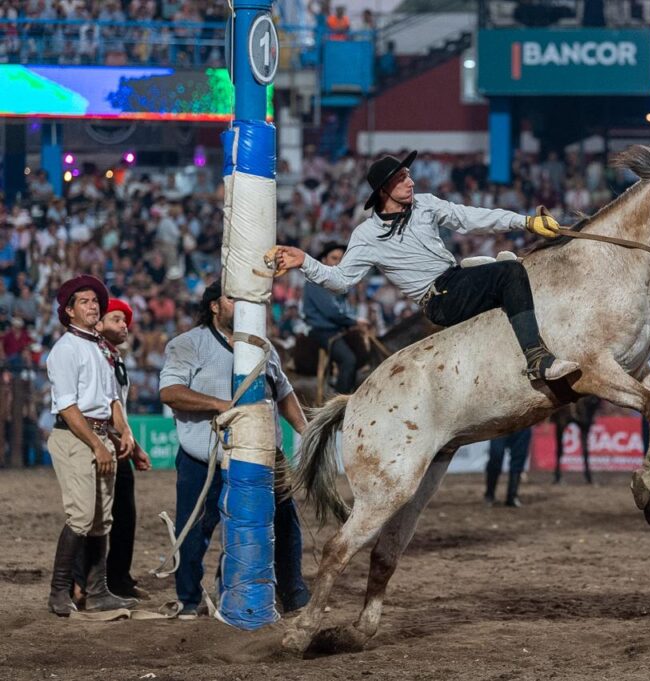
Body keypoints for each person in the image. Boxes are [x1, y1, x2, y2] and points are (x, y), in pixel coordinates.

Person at [273, 151, 578, 381]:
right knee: (509, 271)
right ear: (384, 190)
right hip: (438, 299)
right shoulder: (366, 235)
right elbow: (340, 280)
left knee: (504, 265)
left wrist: (525, 221)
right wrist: (305, 261)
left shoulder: (426, 204)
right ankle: (536, 359)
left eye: (409, 175)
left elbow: (470, 217)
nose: (411, 182)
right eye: (402, 178)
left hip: (454, 280)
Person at [158, 281, 310, 618]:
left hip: (262, 457)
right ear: (214, 306)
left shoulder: (263, 346)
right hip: (206, 458)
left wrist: (306, 432)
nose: (241, 304)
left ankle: (293, 595)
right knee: (194, 530)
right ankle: (188, 601)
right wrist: (221, 405)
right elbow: (170, 392)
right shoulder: (188, 344)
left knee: (285, 525)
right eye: (232, 298)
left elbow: (283, 392)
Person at [45, 275, 137, 616]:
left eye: (95, 300)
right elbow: (68, 407)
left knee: (101, 519)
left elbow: (112, 398)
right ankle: (59, 592)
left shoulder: (100, 348)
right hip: (77, 437)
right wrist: (98, 445)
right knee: (82, 516)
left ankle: (98, 591)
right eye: (83, 301)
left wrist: (124, 431)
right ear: (69, 311)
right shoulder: (65, 349)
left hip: (98, 436)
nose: (92, 305)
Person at [96, 298, 152, 600]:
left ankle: (118, 577)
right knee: (94, 516)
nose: (124, 325)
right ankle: (83, 582)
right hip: (99, 441)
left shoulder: (115, 359)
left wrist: (134, 445)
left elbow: (119, 409)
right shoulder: (94, 356)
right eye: (116, 319)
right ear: (99, 323)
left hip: (117, 443)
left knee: (124, 513)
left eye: (125, 320)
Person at [302, 242, 361, 394]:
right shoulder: (315, 282)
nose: (338, 263)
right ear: (324, 260)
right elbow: (331, 311)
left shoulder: (339, 284)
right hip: (322, 331)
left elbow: (344, 309)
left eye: (341, 259)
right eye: (334, 258)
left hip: (338, 330)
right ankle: (338, 402)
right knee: (349, 360)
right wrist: (355, 321)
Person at [484, 428, 532, 508]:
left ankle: (512, 496)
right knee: (496, 456)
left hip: (522, 426)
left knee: (518, 459)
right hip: (500, 425)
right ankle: (489, 495)